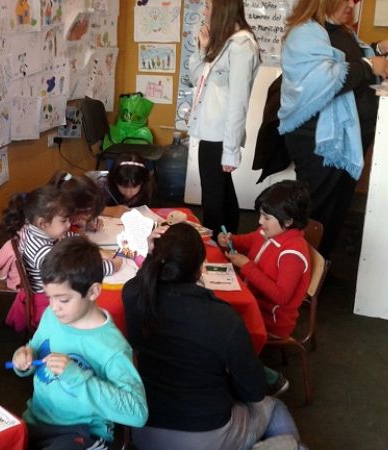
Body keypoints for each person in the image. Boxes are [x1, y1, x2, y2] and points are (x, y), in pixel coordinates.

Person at [123, 223, 302, 450]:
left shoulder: (133, 295)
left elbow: (141, 281)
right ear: (200, 269)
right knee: (274, 407)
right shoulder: (223, 317)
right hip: (206, 432)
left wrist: (151, 256)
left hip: (144, 431)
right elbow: (254, 391)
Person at [278, 0, 388, 258]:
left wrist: (378, 49)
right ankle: (296, 268)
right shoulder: (304, 33)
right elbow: (324, 82)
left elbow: (349, 61)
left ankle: (320, 269)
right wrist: (368, 66)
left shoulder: (339, 30)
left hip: (345, 138)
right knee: (315, 210)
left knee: (335, 211)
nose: (352, 5)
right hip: (317, 140)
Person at [11, 236, 148, 450]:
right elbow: (34, 350)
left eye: (63, 300)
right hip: (36, 420)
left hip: (82, 433)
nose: (54, 307)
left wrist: (77, 377)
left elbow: (137, 413)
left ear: (93, 292)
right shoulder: (51, 316)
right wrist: (24, 358)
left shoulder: (112, 347)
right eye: (50, 297)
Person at [2, 185, 121, 331]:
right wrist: (111, 266)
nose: (69, 224)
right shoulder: (42, 252)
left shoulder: (37, 229)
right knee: (102, 304)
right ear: (43, 223)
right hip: (49, 304)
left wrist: (86, 245)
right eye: (64, 221)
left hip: (53, 291)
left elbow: (66, 237)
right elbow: (76, 272)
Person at [187, 0, 259, 238]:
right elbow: (196, 77)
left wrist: (230, 151)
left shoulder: (241, 46)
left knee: (214, 200)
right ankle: (229, 243)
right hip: (209, 131)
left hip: (220, 135)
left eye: (208, 6)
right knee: (222, 193)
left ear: (222, 9)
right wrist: (203, 47)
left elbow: (238, 102)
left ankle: (216, 247)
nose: (204, 12)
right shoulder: (223, 42)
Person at [218, 181, 311, 353]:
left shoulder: (293, 253)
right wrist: (230, 240)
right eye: (261, 215)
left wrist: (247, 266)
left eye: (266, 217)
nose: (260, 221)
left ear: (288, 221)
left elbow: (281, 296)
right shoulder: (270, 231)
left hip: (270, 320)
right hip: (251, 300)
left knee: (213, 320)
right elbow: (247, 241)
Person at [98, 153, 155, 218]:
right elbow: (89, 208)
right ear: (114, 180)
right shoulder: (104, 186)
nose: (128, 193)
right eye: (123, 186)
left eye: (134, 187)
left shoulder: (147, 187)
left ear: (143, 182)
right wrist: (108, 210)